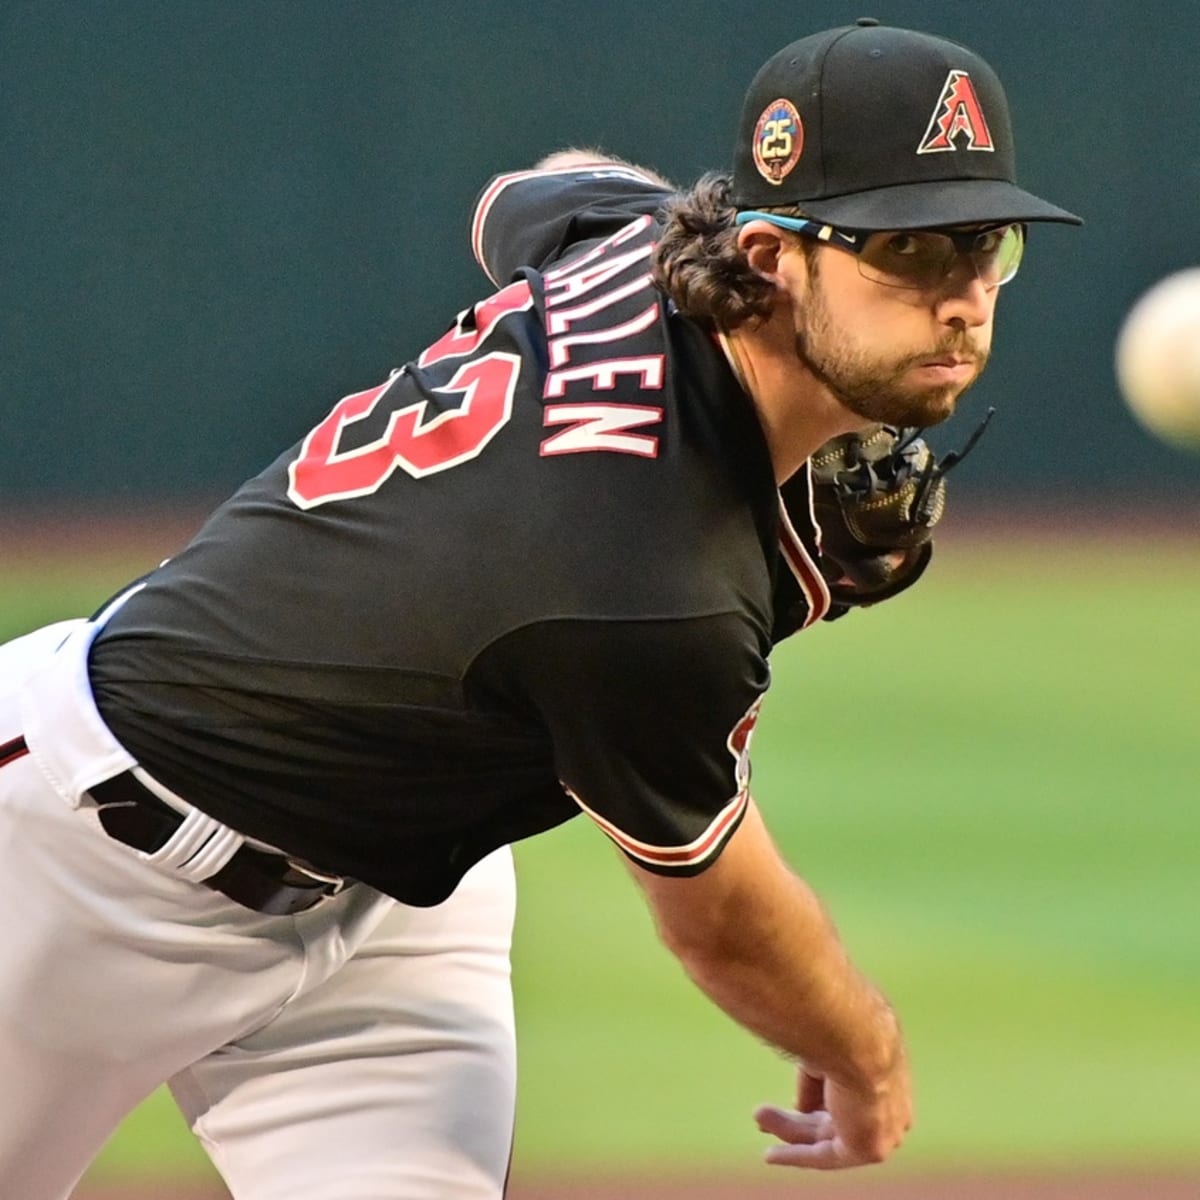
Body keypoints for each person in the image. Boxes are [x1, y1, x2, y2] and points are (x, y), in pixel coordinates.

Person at [0, 19, 1079, 1199]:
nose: (965, 299)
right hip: (79, 867)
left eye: (988, 246)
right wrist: (863, 1053)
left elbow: (533, 190)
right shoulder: (641, 588)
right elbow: (721, 923)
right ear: (770, 261)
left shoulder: (653, 247)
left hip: (396, 903)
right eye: (908, 253)